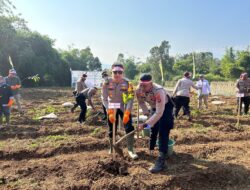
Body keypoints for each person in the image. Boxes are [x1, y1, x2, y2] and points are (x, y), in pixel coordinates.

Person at [136, 73, 174, 173]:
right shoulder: (138, 90)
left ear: (151, 84)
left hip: (165, 108)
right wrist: (146, 112)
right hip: (153, 107)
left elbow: (159, 112)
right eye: (141, 85)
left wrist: (145, 124)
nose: (142, 87)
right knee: (153, 128)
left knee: (163, 130)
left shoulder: (158, 91)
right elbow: (141, 102)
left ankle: (162, 160)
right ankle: (152, 148)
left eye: (145, 85)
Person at [102, 63, 138, 159]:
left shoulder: (128, 83)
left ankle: (130, 149)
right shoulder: (106, 82)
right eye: (115, 72)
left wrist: (127, 112)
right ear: (111, 72)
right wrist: (108, 111)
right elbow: (104, 98)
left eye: (120, 72)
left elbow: (130, 98)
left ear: (123, 72)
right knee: (111, 128)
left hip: (123, 106)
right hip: (111, 106)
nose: (117, 74)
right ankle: (112, 147)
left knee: (129, 126)